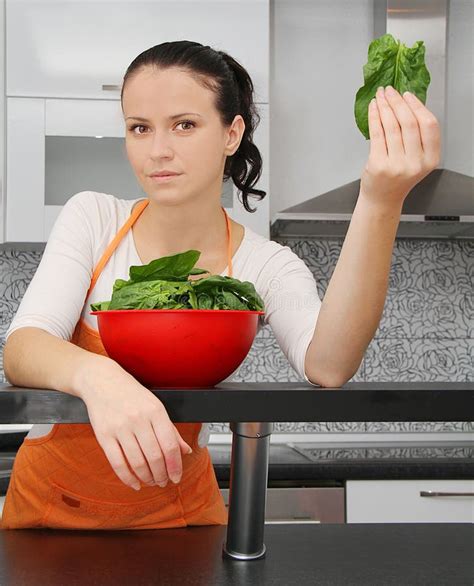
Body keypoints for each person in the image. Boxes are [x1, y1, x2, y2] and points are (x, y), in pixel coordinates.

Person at [2, 40, 440, 530]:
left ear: (232, 134)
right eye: (138, 128)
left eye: (184, 125)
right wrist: (101, 380)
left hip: (181, 519)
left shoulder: (265, 263)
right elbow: (23, 348)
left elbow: (329, 365)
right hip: (48, 515)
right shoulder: (93, 218)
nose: (157, 151)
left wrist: (380, 200)